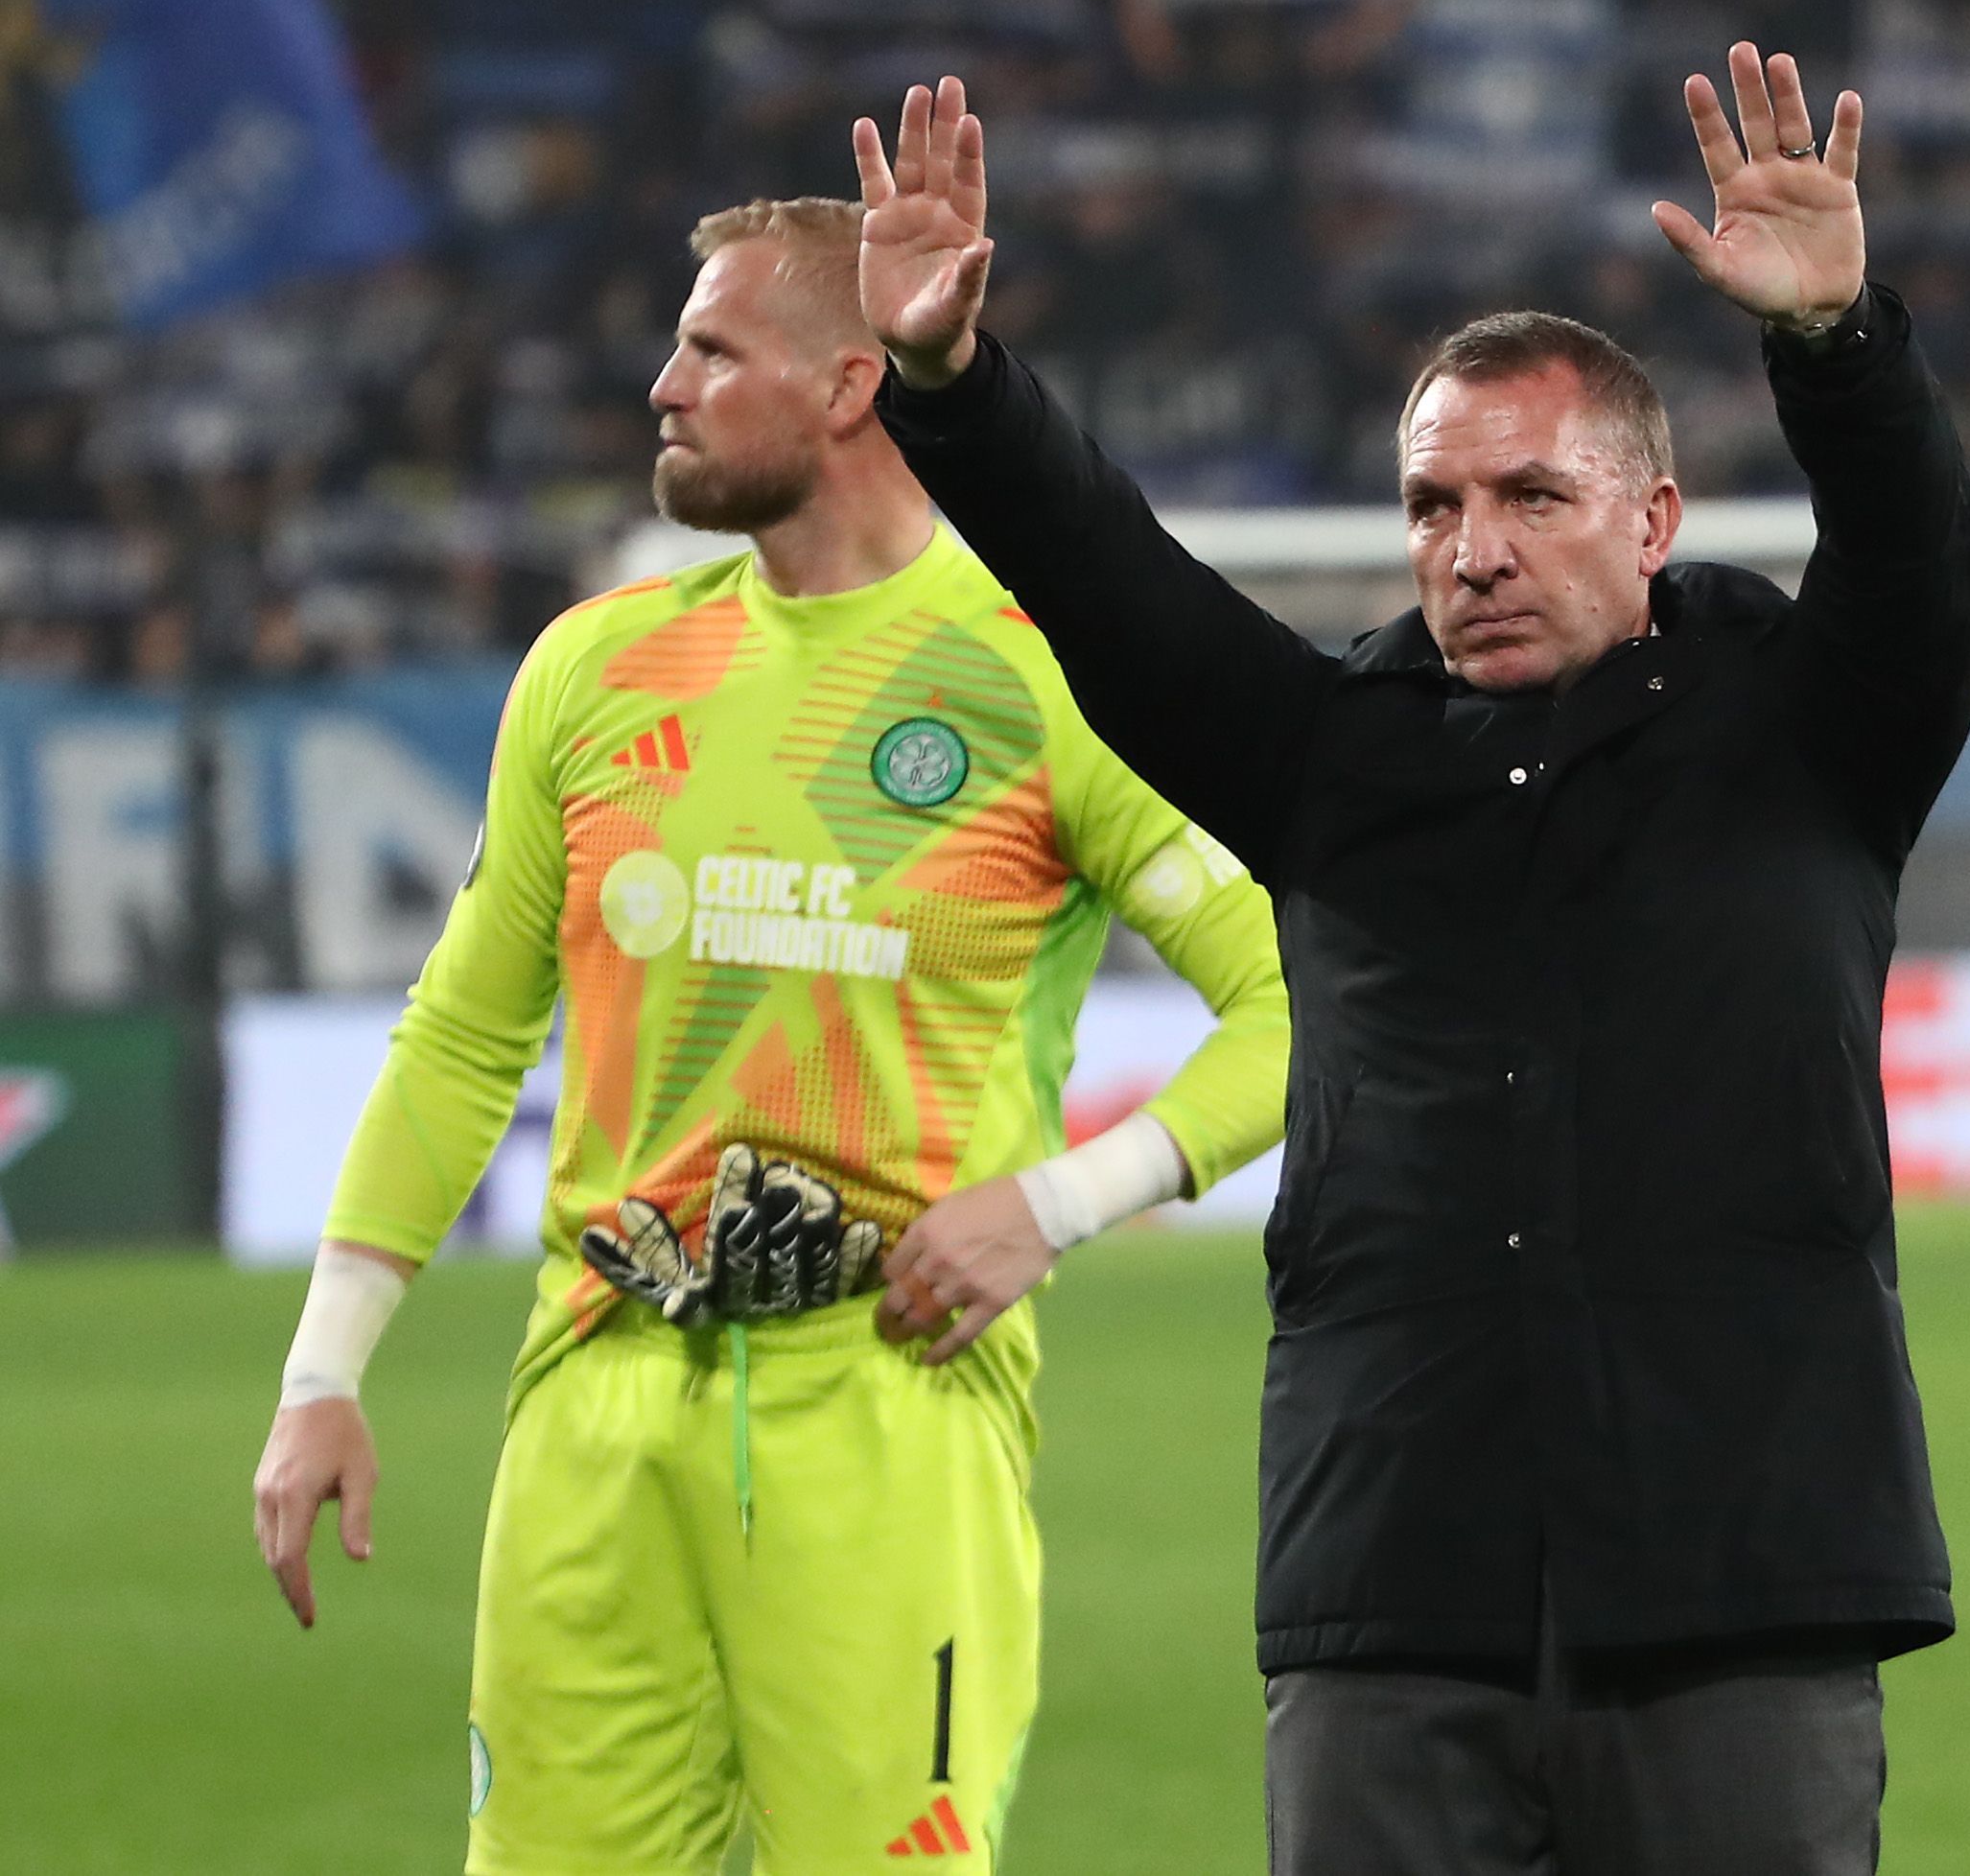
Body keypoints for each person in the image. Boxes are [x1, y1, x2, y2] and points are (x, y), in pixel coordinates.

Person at [853, 38, 1970, 1874]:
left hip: (1738, 1585)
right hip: (1395, 1597)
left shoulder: (1813, 735)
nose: (1471, 551)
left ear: (1653, 519)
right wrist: (950, 381)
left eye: (1532, 498)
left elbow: (1922, 557)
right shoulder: (1329, 765)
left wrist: (1841, 344)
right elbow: (1106, 576)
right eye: (1435, 506)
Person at [247, 196, 1288, 1875]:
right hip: (591, 1400)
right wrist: (323, 1373)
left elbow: (1300, 1002)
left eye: (712, 349)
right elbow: (456, 1036)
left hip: (886, 1399)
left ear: (852, 386)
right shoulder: (597, 668)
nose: (661, 383)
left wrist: (1064, 1202)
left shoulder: (1046, 676)